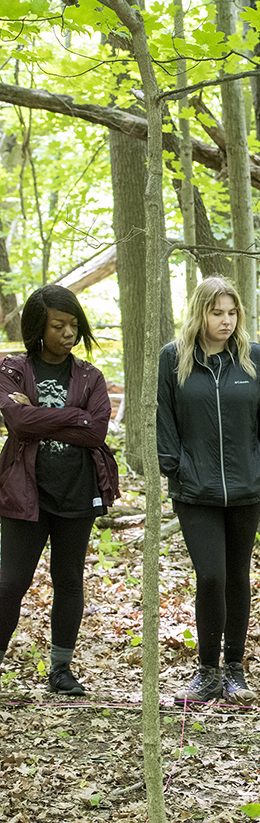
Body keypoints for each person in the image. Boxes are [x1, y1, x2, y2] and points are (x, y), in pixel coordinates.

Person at [158, 276, 260, 706]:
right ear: (200, 313)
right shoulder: (173, 360)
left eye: (232, 313)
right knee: (210, 575)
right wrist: (173, 467)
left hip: (247, 487)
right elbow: (164, 417)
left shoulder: (256, 361)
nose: (226, 321)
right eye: (217, 313)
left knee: (237, 576)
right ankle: (206, 671)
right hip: (195, 489)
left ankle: (234, 668)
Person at [0, 286, 119, 695]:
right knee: (9, 583)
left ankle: (61, 669)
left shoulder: (90, 376)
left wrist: (40, 414)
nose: (69, 332)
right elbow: (17, 423)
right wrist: (74, 417)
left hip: (77, 492)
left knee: (68, 580)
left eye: (73, 324)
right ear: (38, 327)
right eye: (58, 325)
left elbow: (96, 431)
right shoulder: (13, 370)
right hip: (24, 493)